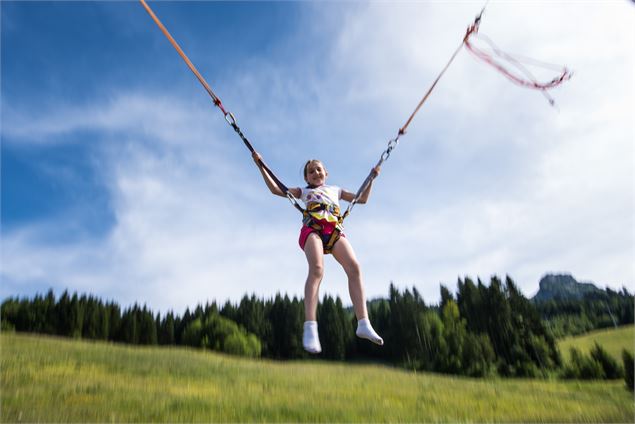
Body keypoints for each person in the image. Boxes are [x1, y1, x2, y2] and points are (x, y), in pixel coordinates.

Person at [252, 151, 384, 354]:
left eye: (318, 169)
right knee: (317, 269)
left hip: (334, 231)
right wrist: (261, 165)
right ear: (306, 178)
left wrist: (372, 178)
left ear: (326, 173)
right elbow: (276, 189)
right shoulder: (304, 192)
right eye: (310, 171)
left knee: (354, 267)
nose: (315, 172)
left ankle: (363, 322)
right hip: (313, 229)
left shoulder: (336, 191)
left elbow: (361, 199)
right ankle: (310, 327)